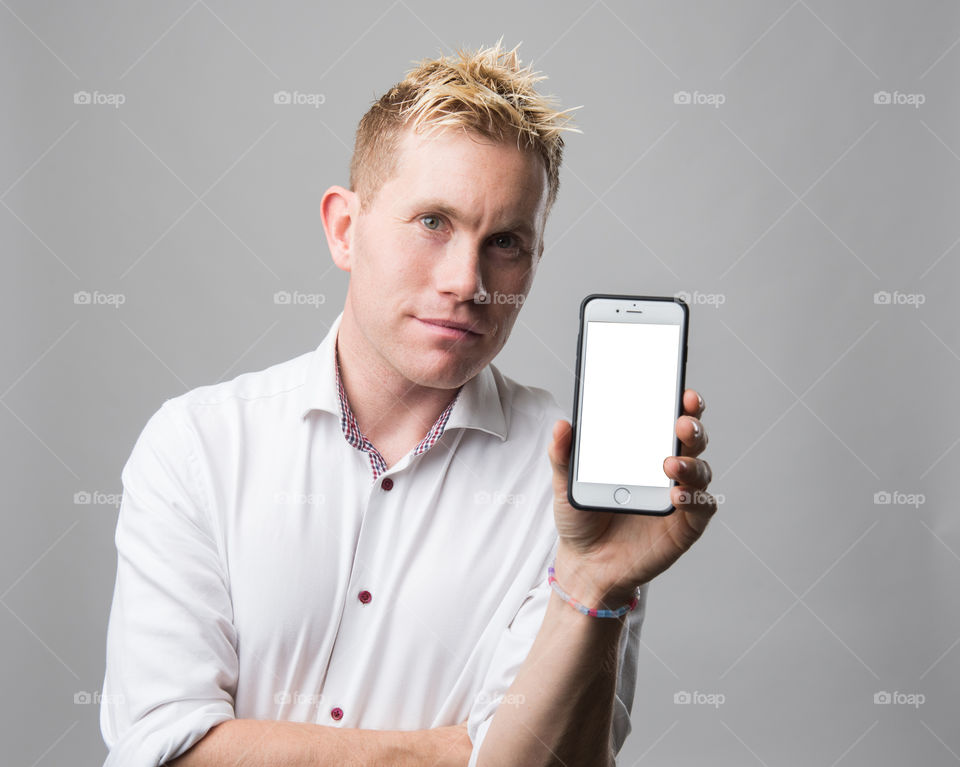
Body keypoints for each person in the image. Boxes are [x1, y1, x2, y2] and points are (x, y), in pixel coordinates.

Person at [100, 39, 716, 767]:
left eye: (507, 242)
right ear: (344, 228)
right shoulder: (198, 447)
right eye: (433, 222)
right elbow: (162, 750)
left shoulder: (577, 492)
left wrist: (592, 585)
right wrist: (453, 751)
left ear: (535, 260)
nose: (467, 280)